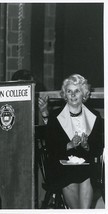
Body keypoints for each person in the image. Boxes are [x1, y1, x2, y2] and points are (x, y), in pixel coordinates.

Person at [45, 74, 104, 209]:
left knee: (86, 178)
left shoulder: (94, 116)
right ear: (64, 94)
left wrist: (86, 145)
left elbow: (98, 148)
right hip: (62, 166)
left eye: (77, 91)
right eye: (69, 91)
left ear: (84, 93)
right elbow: (50, 147)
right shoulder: (55, 116)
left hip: (86, 166)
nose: (73, 95)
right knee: (69, 179)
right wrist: (69, 145)